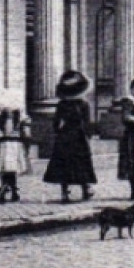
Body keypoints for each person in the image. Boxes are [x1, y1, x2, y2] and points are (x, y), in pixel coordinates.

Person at [44, 69, 96, 203]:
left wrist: (59, 130)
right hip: (78, 136)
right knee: (81, 163)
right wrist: (88, 135)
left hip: (66, 136)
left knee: (65, 164)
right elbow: (87, 123)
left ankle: (66, 192)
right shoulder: (83, 104)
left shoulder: (63, 104)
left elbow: (56, 122)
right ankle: (85, 188)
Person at [0, 93, 31, 204]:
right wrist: (26, 144)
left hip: (3, 145)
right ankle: (9, 189)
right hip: (16, 144)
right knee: (12, 169)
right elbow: (27, 134)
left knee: (6, 169)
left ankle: (10, 189)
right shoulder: (20, 118)